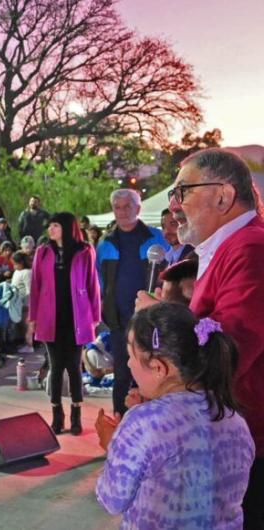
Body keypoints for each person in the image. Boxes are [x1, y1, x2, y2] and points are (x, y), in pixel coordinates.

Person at [161, 148, 264, 527]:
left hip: (249, 445)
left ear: (222, 195)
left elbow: (230, 350)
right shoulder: (228, 248)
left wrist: (159, 324)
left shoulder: (250, 248)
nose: (174, 205)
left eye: (182, 191)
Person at [95, 303, 254, 529]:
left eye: (131, 355)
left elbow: (112, 499)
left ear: (158, 368)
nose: (128, 363)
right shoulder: (234, 418)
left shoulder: (142, 423)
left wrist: (114, 447)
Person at [96, 189, 168, 416]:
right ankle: (120, 423)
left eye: (127, 206)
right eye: (117, 207)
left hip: (151, 321)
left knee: (153, 372)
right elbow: (99, 280)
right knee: (122, 374)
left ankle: (151, 423)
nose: (122, 211)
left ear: (138, 208)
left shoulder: (156, 238)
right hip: (119, 321)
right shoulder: (105, 243)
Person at [29, 212, 101, 435]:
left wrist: (95, 318)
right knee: (55, 367)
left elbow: (93, 285)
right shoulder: (42, 252)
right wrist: (33, 318)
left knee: (75, 368)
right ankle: (57, 417)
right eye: (50, 226)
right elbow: (35, 287)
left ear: (68, 228)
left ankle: (76, 416)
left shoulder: (85, 251)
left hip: (76, 318)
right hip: (50, 318)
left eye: (56, 225)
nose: (51, 229)